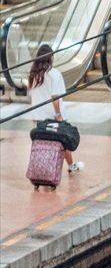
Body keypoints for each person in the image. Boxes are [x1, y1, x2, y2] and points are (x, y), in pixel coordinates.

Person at [25, 45, 81, 174]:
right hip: (52, 116)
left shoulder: (33, 75)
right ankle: (70, 165)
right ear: (50, 57)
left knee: (42, 144)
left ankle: (41, 168)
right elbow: (55, 97)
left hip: (38, 116)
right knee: (63, 140)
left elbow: (31, 95)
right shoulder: (54, 74)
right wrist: (58, 115)